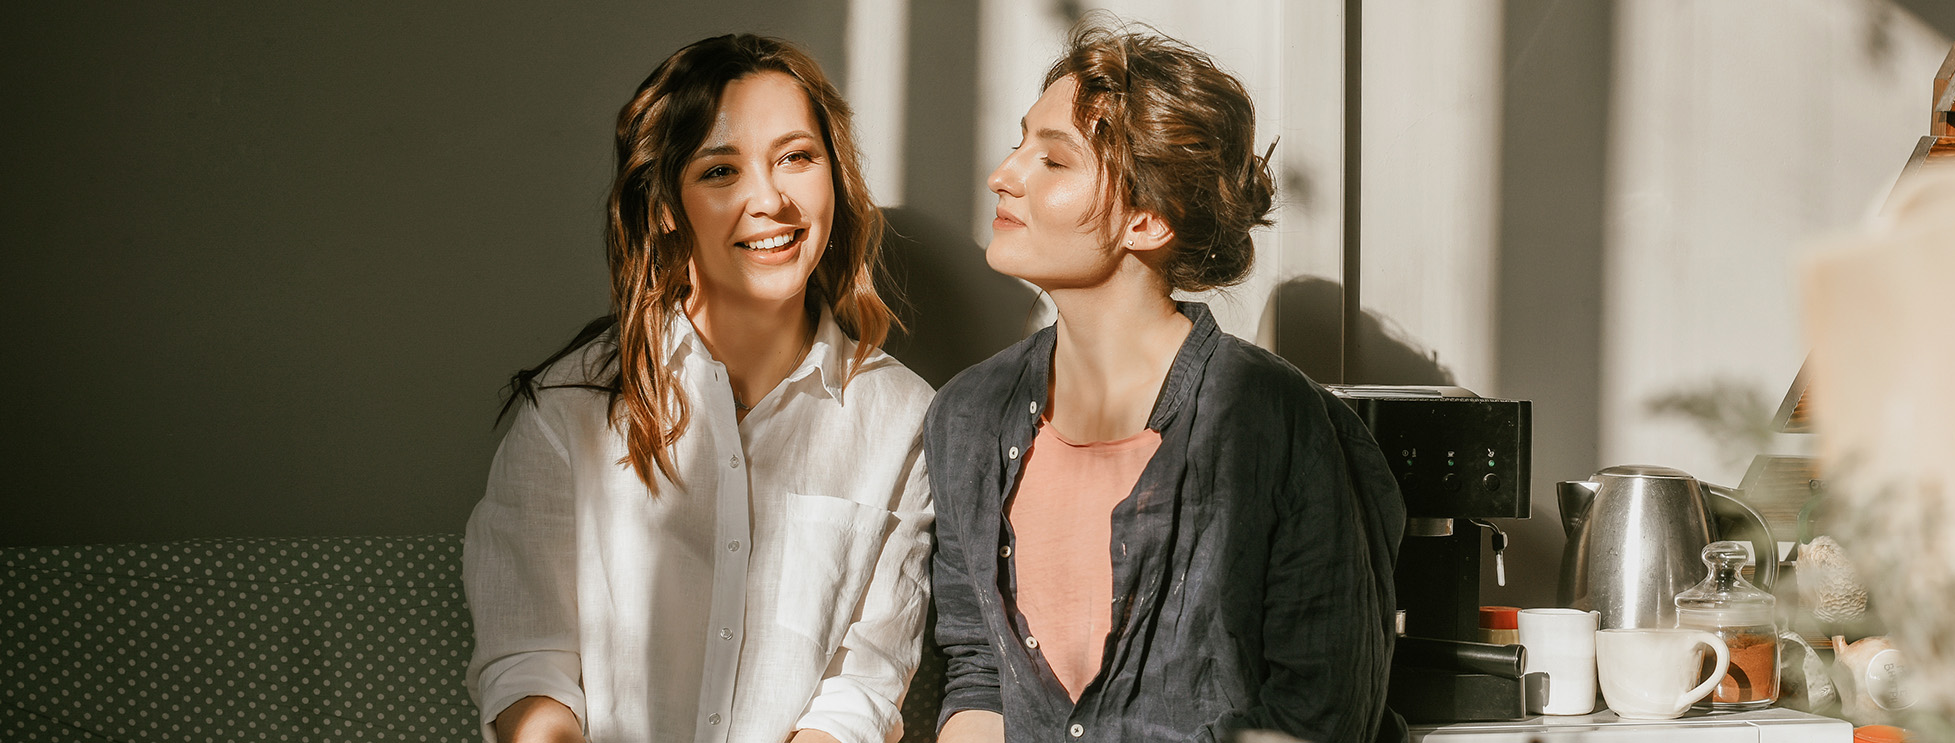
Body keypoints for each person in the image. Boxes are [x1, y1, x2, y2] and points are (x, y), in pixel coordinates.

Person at [924, 20, 1406, 743]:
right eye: (1020, 141)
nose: (1005, 173)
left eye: (1053, 161)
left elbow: (1319, 712)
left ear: (1147, 220)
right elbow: (976, 673)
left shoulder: (1273, 418)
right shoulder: (966, 416)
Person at [462, 34, 934, 743]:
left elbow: (857, 692)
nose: (769, 199)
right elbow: (531, 669)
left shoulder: (905, 419)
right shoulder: (567, 410)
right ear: (662, 206)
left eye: (796, 157)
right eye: (720, 171)